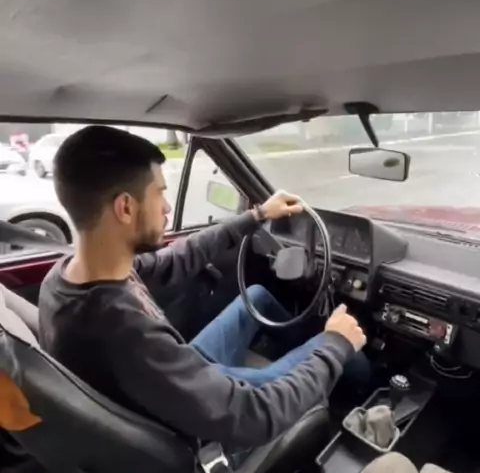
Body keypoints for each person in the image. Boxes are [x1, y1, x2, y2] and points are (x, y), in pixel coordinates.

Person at [39, 125, 367, 452]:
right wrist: (333, 346)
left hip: (168, 379)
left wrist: (257, 215)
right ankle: (362, 392)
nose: (167, 207)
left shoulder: (67, 276)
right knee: (338, 346)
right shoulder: (122, 331)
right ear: (125, 207)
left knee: (256, 298)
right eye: (159, 194)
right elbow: (253, 414)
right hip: (189, 424)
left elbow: (176, 259)